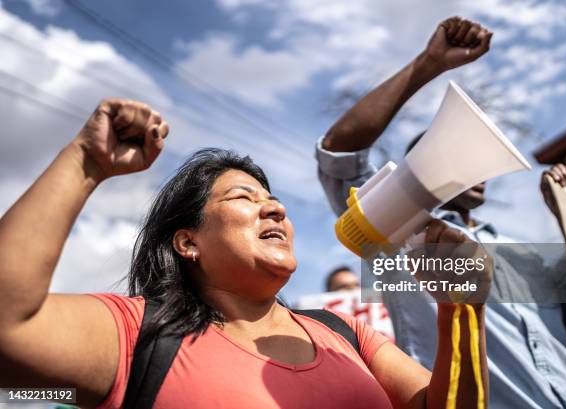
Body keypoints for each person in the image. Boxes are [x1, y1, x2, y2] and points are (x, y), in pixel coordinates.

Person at [0, 98, 492, 408]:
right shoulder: (135, 335)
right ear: (187, 241)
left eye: (272, 199)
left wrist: (462, 310)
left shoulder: (345, 334)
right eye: (243, 198)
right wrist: (86, 162)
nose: (274, 208)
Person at [316, 16, 566, 408]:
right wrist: (429, 64)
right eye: (459, 154)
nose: (478, 169)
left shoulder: (522, 252)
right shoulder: (399, 233)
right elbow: (339, 153)